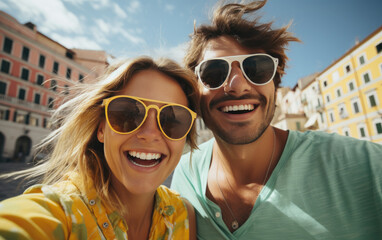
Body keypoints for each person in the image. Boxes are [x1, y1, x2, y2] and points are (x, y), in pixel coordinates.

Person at [171, 1, 382, 239]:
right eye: (214, 72)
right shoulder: (185, 174)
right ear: (194, 90)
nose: (237, 86)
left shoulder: (362, 166)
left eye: (257, 69)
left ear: (275, 84)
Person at [0, 57, 198, 240]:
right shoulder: (59, 211)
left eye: (172, 120)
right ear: (101, 129)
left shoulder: (184, 215)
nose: (150, 133)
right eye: (127, 114)